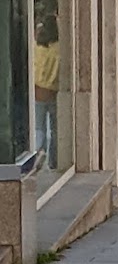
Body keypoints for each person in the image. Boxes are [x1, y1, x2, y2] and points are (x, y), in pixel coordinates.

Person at [34, 15, 59, 170]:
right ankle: (53, 161)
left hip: (38, 91)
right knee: (55, 130)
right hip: (54, 91)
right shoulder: (59, 48)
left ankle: (38, 152)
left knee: (39, 128)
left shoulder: (37, 47)